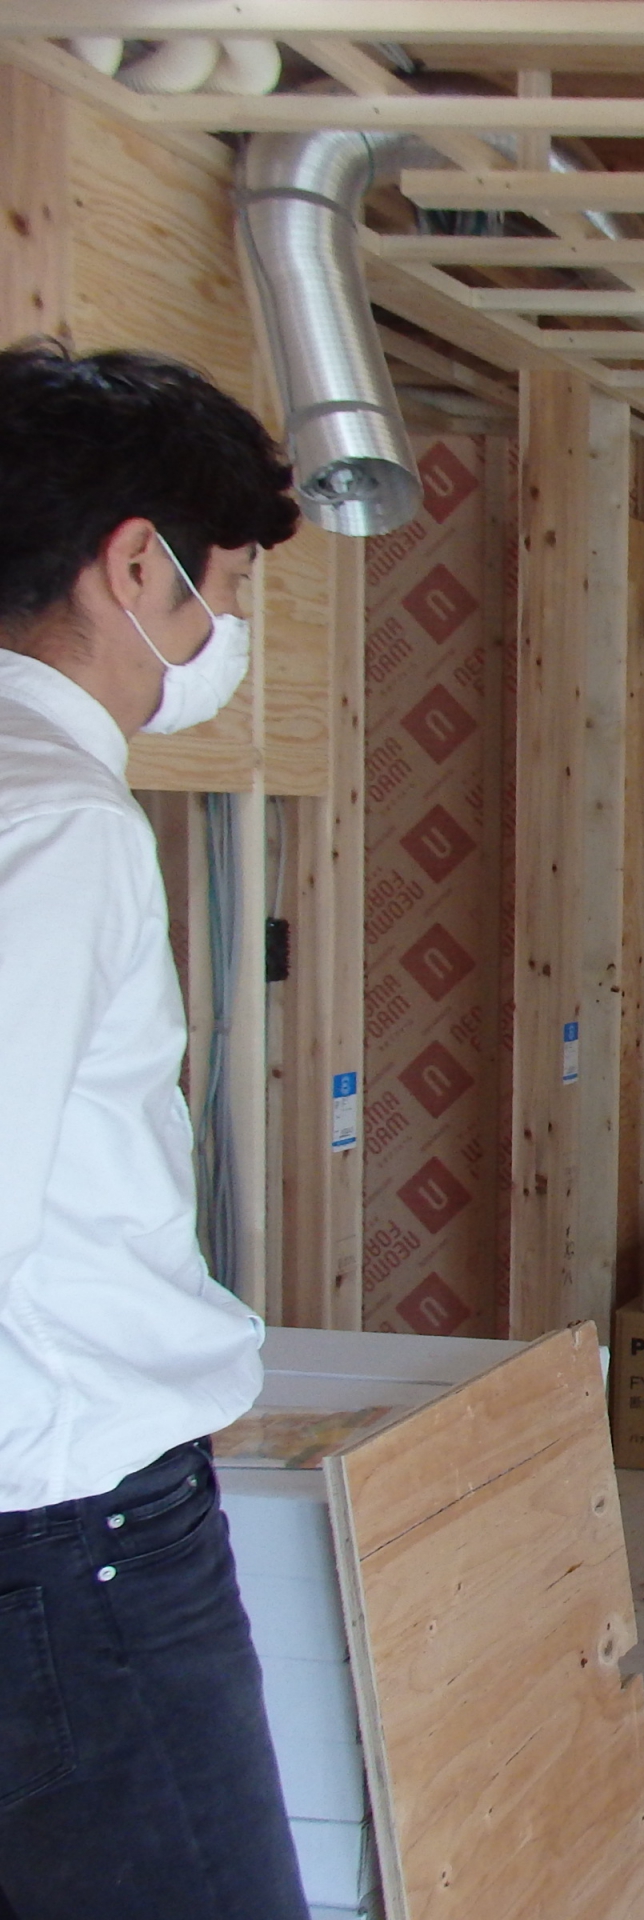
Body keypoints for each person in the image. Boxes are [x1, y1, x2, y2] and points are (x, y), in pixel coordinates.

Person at [0, 342, 304, 1918]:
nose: (220, 635)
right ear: (133, 566)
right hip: (76, 1537)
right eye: (220, 588)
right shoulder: (56, 819)